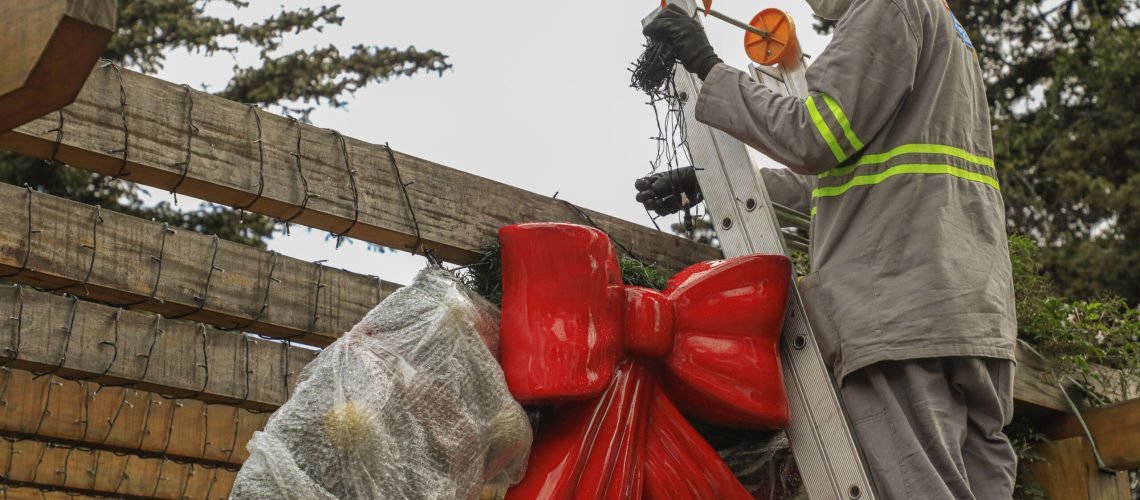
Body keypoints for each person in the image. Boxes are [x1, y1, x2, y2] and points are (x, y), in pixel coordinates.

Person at [638, 1, 1018, 498]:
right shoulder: (943, 27)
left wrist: (707, 66)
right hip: (969, 312)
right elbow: (842, 175)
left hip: (898, 311)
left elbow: (812, 136)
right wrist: (711, 183)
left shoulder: (887, 5)